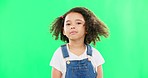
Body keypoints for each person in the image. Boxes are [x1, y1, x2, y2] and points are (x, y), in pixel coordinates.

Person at [49, 7, 109, 78]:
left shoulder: (94, 54)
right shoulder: (59, 54)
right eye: (68, 24)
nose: (72, 26)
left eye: (78, 23)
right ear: (63, 31)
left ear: (87, 28)